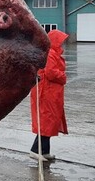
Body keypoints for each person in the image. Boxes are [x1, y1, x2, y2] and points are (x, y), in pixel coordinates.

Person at [29, 29, 69, 162]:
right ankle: (36, 150)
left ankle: (45, 151)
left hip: (51, 92)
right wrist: (63, 76)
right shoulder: (50, 54)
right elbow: (51, 72)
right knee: (46, 121)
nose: (62, 44)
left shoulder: (52, 53)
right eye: (61, 41)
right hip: (46, 92)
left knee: (50, 121)